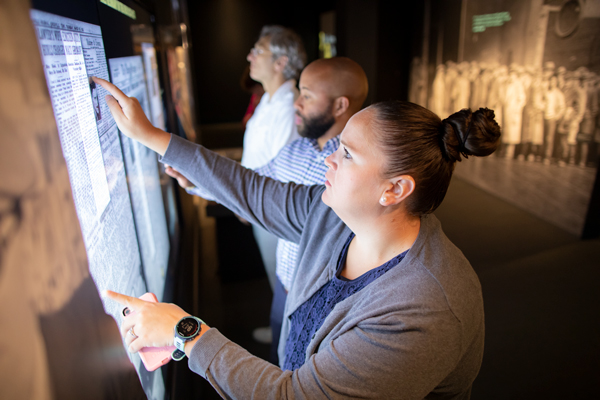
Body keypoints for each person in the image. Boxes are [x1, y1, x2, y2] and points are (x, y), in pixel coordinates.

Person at [95, 75, 501, 399]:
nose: (329, 158)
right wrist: (149, 135)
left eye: (347, 154)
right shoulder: (332, 215)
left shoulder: (424, 308)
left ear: (394, 190)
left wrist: (183, 330)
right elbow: (252, 191)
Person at [165, 57, 369, 364]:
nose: (297, 104)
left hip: (321, 302)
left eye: (308, 96)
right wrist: (196, 181)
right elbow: (250, 186)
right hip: (284, 287)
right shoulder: (298, 148)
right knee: (279, 358)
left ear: (341, 105)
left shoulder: (356, 168)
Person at [241, 25, 306, 300]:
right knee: (275, 277)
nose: (249, 56)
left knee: (285, 280)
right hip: (258, 203)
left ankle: (286, 336)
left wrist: (246, 200)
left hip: (271, 210)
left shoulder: (288, 106)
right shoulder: (269, 99)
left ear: (281, 62)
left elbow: (283, 172)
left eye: (258, 51)